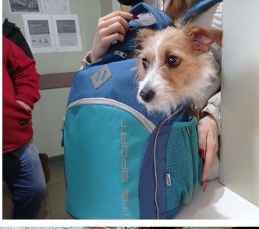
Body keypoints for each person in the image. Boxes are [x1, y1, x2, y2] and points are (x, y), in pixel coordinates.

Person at [86, 0, 223, 190]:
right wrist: (94, 58)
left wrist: (214, 115)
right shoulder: (135, 17)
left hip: (200, 153)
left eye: (172, 60)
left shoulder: (216, 11)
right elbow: (95, 87)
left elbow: (244, 83)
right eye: (145, 62)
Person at [3, 37, 45, 219]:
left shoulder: (4, 40)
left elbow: (26, 68)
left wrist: (24, 101)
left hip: (18, 138)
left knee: (35, 191)